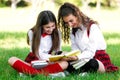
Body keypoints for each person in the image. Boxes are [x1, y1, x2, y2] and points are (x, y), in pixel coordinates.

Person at [57, 2, 119, 74]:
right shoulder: (73, 32)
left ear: (77, 15)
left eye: (71, 21)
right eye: (67, 23)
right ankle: (78, 72)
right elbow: (75, 50)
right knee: (64, 59)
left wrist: (77, 57)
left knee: (92, 63)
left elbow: (91, 52)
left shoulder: (92, 27)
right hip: (83, 58)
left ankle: (75, 72)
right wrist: (70, 56)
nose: (70, 25)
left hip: (97, 58)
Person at [8, 10, 68, 76]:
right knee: (11, 60)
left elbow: (57, 50)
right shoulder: (32, 32)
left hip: (51, 61)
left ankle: (30, 73)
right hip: (36, 60)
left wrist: (62, 55)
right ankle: (50, 74)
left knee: (65, 63)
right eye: (47, 27)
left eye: (53, 26)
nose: (51, 29)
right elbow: (37, 53)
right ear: (41, 26)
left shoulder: (57, 32)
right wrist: (49, 58)